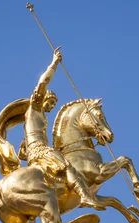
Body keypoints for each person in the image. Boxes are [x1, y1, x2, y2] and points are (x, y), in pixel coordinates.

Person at [22, 48, 105, 211]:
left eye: (53, 104)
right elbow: (42, 83)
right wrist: (54, 64)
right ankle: (84, 196)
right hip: (39, 150)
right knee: (66, 165)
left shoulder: (41, 116)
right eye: (50, 101)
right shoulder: (35, 107)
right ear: (42, 97)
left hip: (40, 149)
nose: (51, 106)